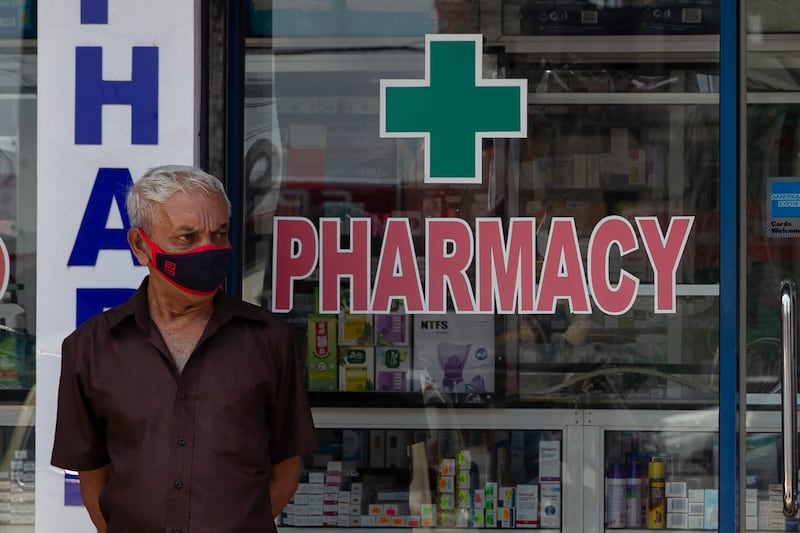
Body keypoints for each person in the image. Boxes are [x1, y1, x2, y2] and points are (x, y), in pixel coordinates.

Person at [51, 164, 318, 533]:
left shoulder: (270, 340)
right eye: (187, 238)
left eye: (219, 234)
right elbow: (93, 481)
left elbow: (285, 475)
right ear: (141, 245)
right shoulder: (91, 347)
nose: (207, 252)